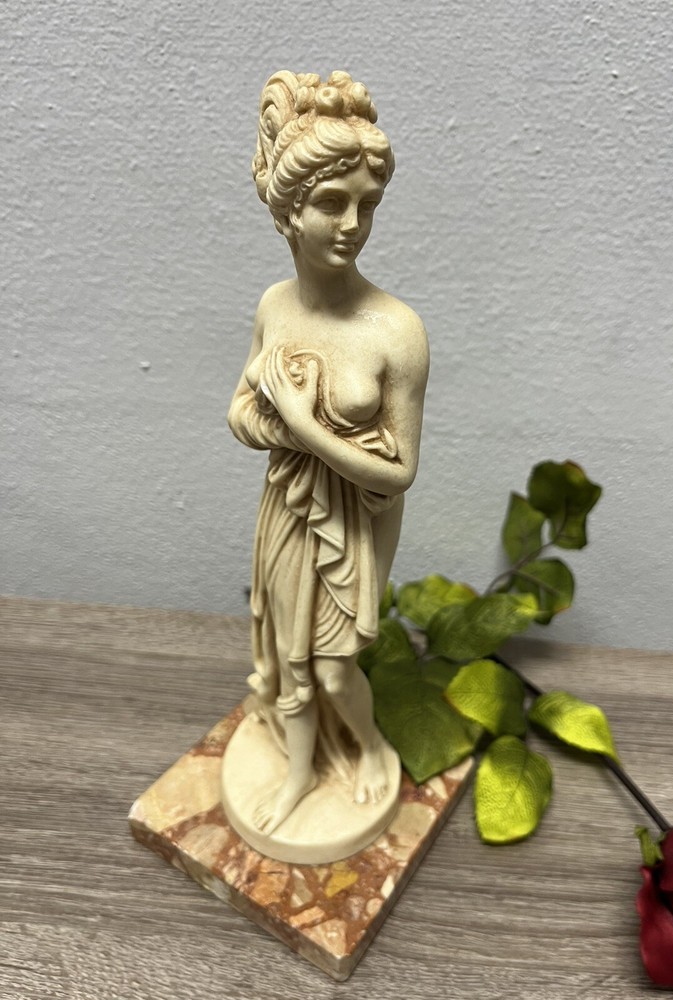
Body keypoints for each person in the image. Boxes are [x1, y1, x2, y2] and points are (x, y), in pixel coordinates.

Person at [227, 70, 428, 837]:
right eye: (332, 203)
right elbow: (239, 411)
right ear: (289, 211)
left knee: (337, 666)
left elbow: (401, 471)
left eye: (367, 205)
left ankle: (367, 746)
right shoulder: (274, 307)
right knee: (290, 658)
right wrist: (280, 427)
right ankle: (299, 773)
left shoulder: (395, 331)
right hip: (288, 508)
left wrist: (303, 425)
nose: (352, 224)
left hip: (355, 518)